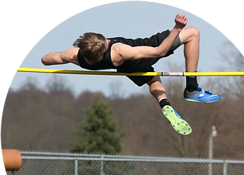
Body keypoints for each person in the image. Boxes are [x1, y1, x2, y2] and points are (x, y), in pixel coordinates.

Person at [41, 14, 221, 135]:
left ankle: (165, 104)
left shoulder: (75, 57)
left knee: (153, 81)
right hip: (140, 52)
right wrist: (177, 28)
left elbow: (46, 59)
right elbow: (158, 51)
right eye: (106, 42)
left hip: (126, 68)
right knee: (193, 33)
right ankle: (191, 89)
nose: (109, 39)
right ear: (105, 49)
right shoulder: (119, 50)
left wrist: (53, 58)